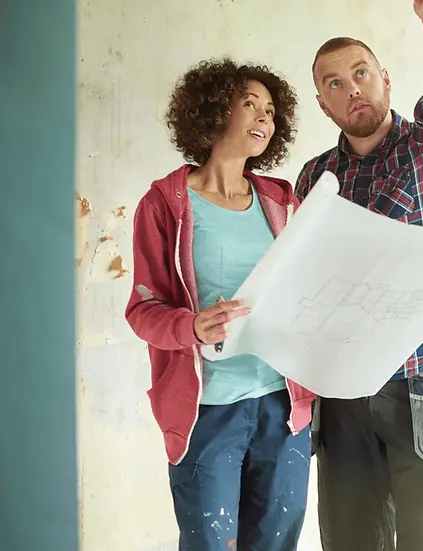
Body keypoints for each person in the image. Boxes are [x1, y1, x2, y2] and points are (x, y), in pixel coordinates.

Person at [293, 1, 423, 550]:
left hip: (420, 377)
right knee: (351, 536)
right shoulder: (315, 177)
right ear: (324, 105)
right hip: (343, 386)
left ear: (385, 80)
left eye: (361, 73)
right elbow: (305, 277)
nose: (353, 90)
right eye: (336, 84)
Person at [125, 58, 317, 551]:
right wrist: (193, 327)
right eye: (249, 104)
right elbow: (142, 311)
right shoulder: (166, 203)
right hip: (207, 411)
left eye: (271, 110)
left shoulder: (283, 201)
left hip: (284, 405)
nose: (263, 118)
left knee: (276, 543)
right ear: (212, 112)